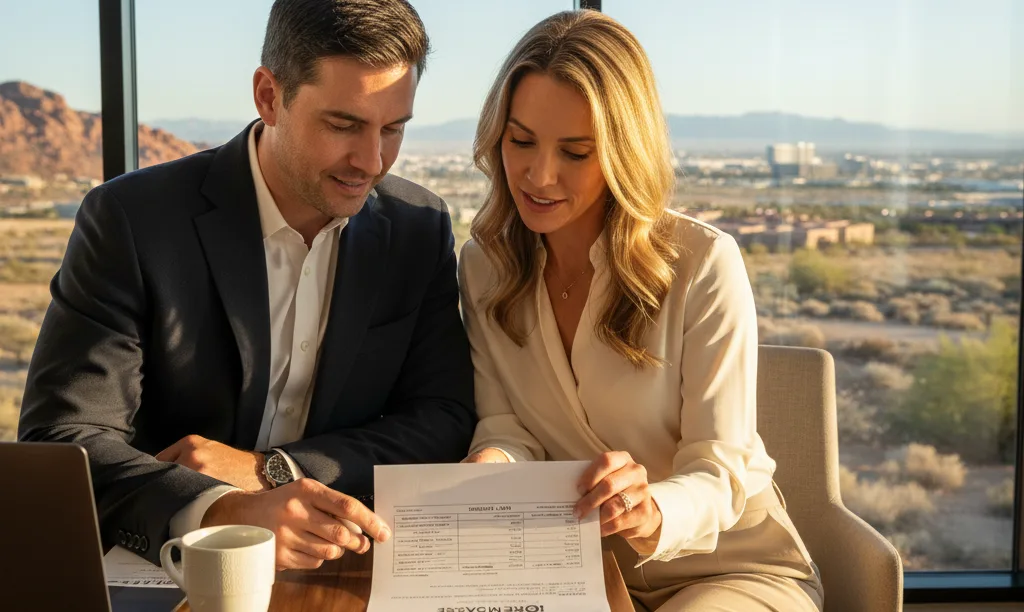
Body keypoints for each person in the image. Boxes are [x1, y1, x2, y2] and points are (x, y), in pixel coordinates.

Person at [19, 0, 475, 571]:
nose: (372, 160)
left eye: (394, 129)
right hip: (164, 565)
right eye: (344, 124)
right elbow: (62, 436)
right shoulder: (133, 221)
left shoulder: (418, 225)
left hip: (345, 563)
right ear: (268, 96)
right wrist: (218, 510)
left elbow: (443, 417)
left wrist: (273, 470)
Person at [459, 10, 823, 611]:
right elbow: (509, 428)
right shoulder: (484, 265)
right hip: (572, 572)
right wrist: (488, 467)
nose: (538, 174)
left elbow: (721, 468)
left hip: (729, 570)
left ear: (624, 154)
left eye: (575, 152)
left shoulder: (704, 263)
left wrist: (653, 506)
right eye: (520, 141)